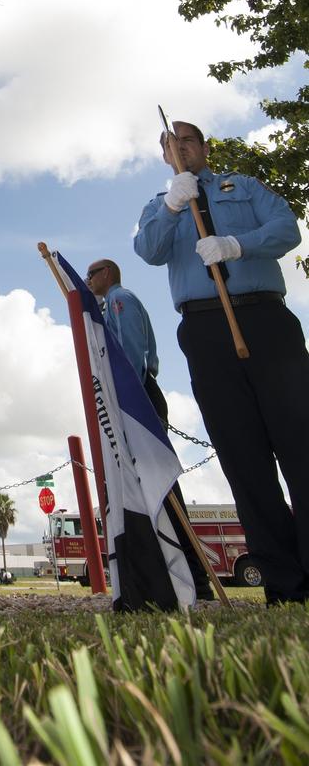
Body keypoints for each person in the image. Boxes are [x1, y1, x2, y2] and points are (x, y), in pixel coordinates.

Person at [134, 120, 309, 604]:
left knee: (301, 442)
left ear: (204, 148)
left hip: (266, 318)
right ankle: (285, 585)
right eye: (172, 144)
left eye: (188, 140)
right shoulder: (159, 204)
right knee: (242, 456)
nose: (181, 148)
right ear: (165, 156)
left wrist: (239, 245)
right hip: (206, 326)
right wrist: (172, 204)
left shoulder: (243, 187)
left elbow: (286, 227)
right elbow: (148, 250)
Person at [86, 258, 214, 601]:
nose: (88, 280)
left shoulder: (119, 300)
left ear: (107, 273)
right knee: (146, 485)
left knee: (161, 484)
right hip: (132, 395)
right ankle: (176, 571)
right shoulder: (107, 304)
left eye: (91, 274)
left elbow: (129, 353)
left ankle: (195, 575)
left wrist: (126, 397)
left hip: (136, 394)